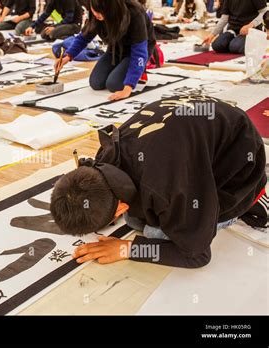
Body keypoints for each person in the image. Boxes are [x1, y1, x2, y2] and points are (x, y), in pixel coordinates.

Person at [50, 97, 267, 268]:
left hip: (241, 163)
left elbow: (197, 255)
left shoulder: (168, 188)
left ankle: (255, 197)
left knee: (155, 234)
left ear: (121, 207)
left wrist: (127, 249)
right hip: (204, 123)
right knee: (137, 222)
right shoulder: (104, 157)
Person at [55, 0, 156, 102]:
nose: (97, 15)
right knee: (96, 82)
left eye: (101, 12)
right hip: (115, 49)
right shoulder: (96, 11)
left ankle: (138, 70)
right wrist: (67, 56)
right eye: (95, 11)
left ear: (111, 8)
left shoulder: (134, 13)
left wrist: (128, 87)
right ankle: (122, 67)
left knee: (114, 84)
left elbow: (139, 52)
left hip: (136, 51)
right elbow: (84, 37)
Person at [202, 0, 267, 54]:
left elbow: (265, 12)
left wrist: (251, 25)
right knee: (217, 45)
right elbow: (224, 18)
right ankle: (236, 42)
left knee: (235, 47)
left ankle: (253, 42)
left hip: (251, 30)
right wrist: (212, 35)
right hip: (233, 30)